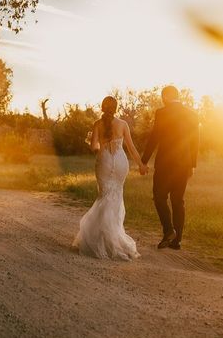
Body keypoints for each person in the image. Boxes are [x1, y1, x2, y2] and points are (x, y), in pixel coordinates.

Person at [73, 96, 148, 260]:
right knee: (115, 198)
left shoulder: (97, 125)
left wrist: (92, 140)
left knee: (104, 197)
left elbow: (94, 147)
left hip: (104, 161)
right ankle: (113, 239)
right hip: (121, 162)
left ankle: (101, 241)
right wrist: (141, 165)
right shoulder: (123, 124)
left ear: (102, 107)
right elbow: (132, 148)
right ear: (115, 108)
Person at [141, 85, 199, 250]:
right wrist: (192, 165)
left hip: (165, 163)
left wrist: (144, 160)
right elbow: (196, 141)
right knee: (178, 201)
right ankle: (177, 241)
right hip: (184, 164)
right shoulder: (192, 114)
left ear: (165, 97)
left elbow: (154, 138)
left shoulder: (162, 113)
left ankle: (168, 231)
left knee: (159, 197)